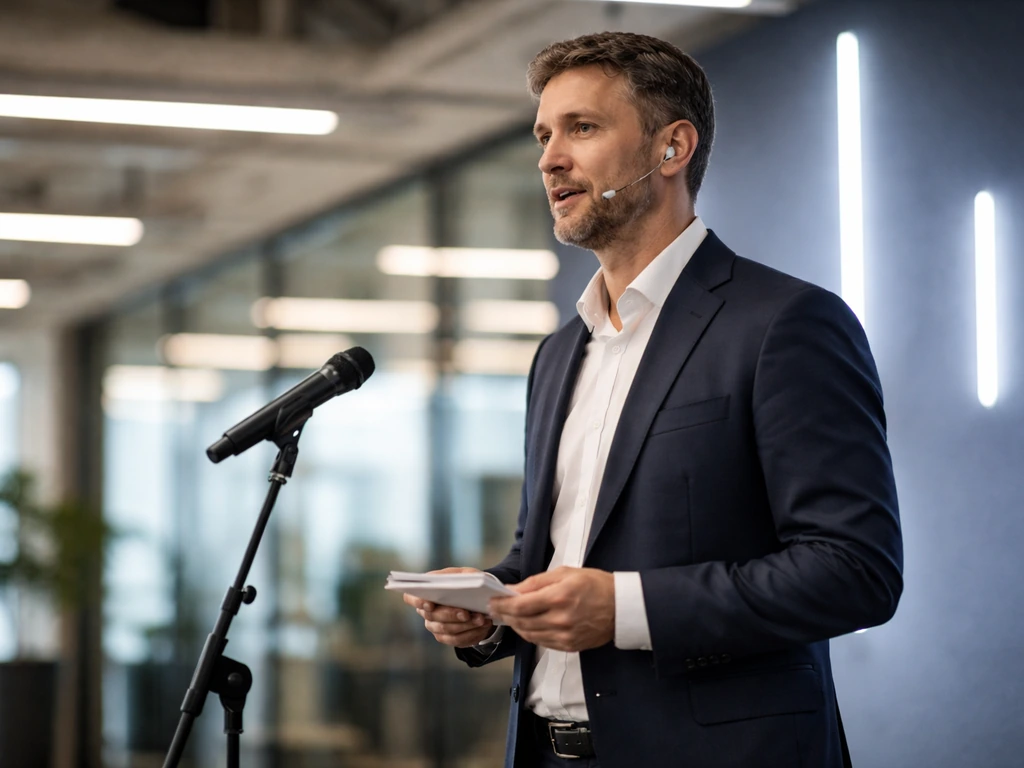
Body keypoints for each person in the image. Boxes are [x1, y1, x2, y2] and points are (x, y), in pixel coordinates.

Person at [403, 30, 903, 768]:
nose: (548, 158)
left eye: (582, 127)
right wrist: (490, 607)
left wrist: (625, 609)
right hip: (547, 752)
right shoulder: (557, 353)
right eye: (544, 134)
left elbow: (855, 571)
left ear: (672, 149)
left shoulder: (784, 324)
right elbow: (549, 557)